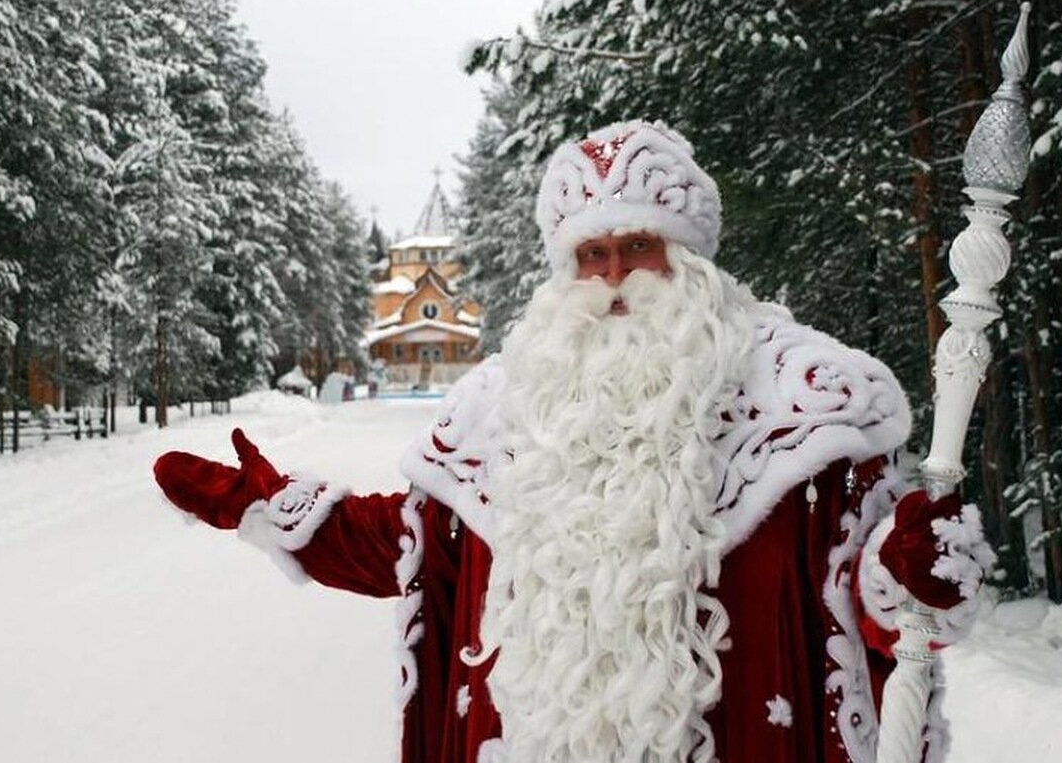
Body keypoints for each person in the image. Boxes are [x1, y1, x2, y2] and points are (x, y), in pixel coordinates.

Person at [153, 121, 994, 763]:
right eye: (593, 252)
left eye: (638, 245)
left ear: (690, 255)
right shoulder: (503, 406)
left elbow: (876, 593)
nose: (616, 272)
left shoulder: (807, 410)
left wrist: (910, 573)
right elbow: (415, 547)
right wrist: (268, 505)